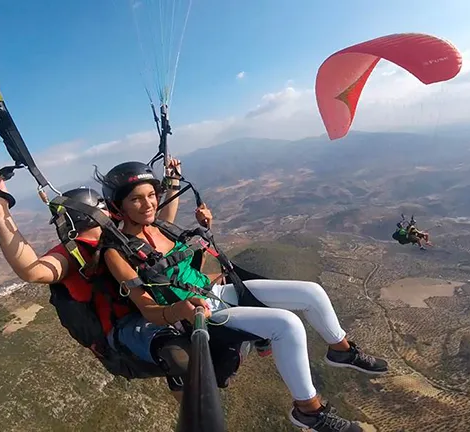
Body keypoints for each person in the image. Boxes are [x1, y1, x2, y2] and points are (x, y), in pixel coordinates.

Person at [96, 161, 389, 432]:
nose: (148, 204)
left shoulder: (158, 225)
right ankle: (308, 410)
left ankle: (341, 350)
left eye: (151, 195)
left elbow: (168, 208)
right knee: (286, 325)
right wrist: (180, 310)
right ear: (118, 206)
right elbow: (147, 308)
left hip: (217, 291)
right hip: (201, 313)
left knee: (310, 291)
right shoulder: (117, 253)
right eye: (136, 199)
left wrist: (177, 186)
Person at [0, 161, 190, 402]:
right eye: (105, 211)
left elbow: (161, 227)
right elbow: (33, 271)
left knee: (189, 344)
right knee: (178, 353)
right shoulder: (79, 253)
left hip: (150, 317)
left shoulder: (118, 241)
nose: (112, 215)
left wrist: (173, 183)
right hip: (125, 334)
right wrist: (0, 214)